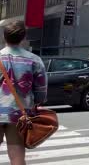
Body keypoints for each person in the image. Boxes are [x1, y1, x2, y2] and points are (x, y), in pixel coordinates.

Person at [0, 21, 47, 165]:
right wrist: (37, 102)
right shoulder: (34, 60)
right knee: (17, 156)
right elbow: (41, 90)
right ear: (23, 38)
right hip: (19, 113)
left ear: (4, 37)